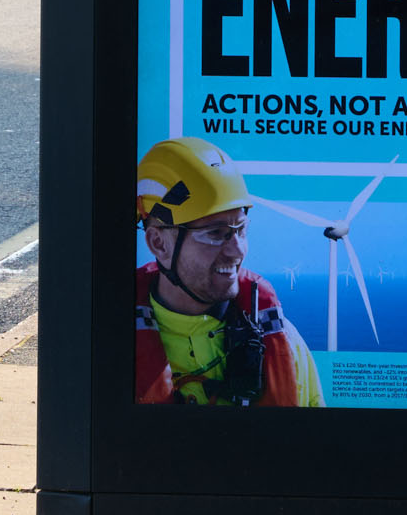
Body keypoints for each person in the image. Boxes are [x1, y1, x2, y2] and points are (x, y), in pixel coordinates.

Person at [132, 136, 323, 407]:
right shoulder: (110, 345)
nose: (237, 251)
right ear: (158, 243)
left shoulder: (283, 341)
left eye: (240, 230)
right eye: (216, 233)